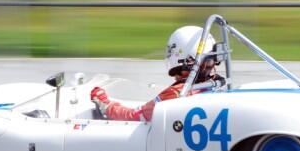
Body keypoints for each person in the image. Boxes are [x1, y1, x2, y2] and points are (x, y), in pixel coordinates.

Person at [90, 26, 220, 122]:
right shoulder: (215, 85)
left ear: (186, 57)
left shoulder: (176, 94)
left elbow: (135, 116)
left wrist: (106, 105)